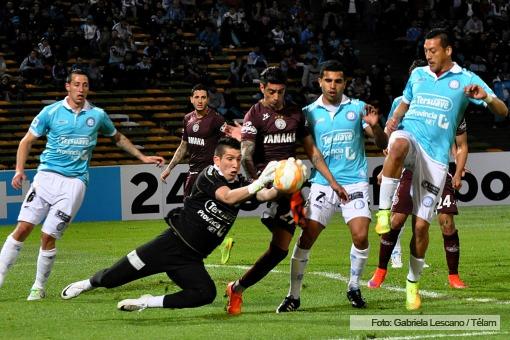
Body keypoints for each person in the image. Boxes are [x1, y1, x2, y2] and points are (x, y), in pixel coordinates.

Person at [60, 138, 280, 311]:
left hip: (191, 259)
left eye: (238, 159)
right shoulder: (209, 176)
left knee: (205, 293)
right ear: (216, 160)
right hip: (168, 246)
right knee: (112, 278)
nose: (235, 164)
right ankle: (88, 283)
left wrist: (286, 182)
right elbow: (227, 197)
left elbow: (264, 195)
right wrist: (260, 183)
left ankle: (147, 302)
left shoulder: (241, 185)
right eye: (230, 159)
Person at [0, 69, 165, 300]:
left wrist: (142, 157)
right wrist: (18, 171)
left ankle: (38, 287)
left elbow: (117, 137)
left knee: (48, 236)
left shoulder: (97, 115)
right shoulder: (51, 112)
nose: (81, 89)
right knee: (23, 228)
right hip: (46, 177)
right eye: (76, 84)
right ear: (67, 86)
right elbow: (26, 141)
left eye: (85, 85)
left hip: (74, 184)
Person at [374, 28, 508, 310]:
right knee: (397, 146)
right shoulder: (418, 75)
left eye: (433, 50)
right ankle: (383, 213)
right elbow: (403, 107)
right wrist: (391, 123)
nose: (428, 55)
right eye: (425, 51)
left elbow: (503, 111)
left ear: (448, 51)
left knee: (421, 227)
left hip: (435, 159)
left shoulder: (466, 79)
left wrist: (485, 97)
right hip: (410, 138)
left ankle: (413, 284)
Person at [225, 66, 348, 315]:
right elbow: (247, 154)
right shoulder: (254, 115)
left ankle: (236, 288)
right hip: (266, 182)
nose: (276, 97)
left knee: (279, 251)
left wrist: (332, 181)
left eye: (281, 92)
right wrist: (258, 182)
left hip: (290, 186)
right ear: (262, 88)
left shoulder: (295, 114)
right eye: (271, 92)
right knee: (291, 219)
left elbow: (312, 152)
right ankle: (276, 212)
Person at [276, 60, 388, 312]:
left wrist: (375, 124)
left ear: (345, 83)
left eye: (338, 81)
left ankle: (353, 286)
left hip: (355, 182)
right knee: (307, 237)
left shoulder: (358, 108)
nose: (333, 85)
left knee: (360, 235)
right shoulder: (308, 113)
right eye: (328, 80)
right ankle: (293, 295)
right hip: (322, 185)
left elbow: (382, 142)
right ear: (320, 82)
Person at [369, 122, 468, 288]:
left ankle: (454, 276)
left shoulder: (455, 108)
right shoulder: (408, 105)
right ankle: (380, 271)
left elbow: (461, 145)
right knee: (396, 221)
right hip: (411, 171)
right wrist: (384, 170)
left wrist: (459, 170)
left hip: (440, 171)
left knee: (447, 224)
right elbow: (394, 144)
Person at [160, 84, 226, 197]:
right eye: (196, 97)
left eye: (203, 97)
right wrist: (169, 168)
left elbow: (226, 145)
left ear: (208, 99)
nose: (200, 101)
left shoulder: (217, 119)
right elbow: (183, 146)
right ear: (191, 99)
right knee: (188, 209)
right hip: (193, 173)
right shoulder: (187, 119)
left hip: (210, 173)